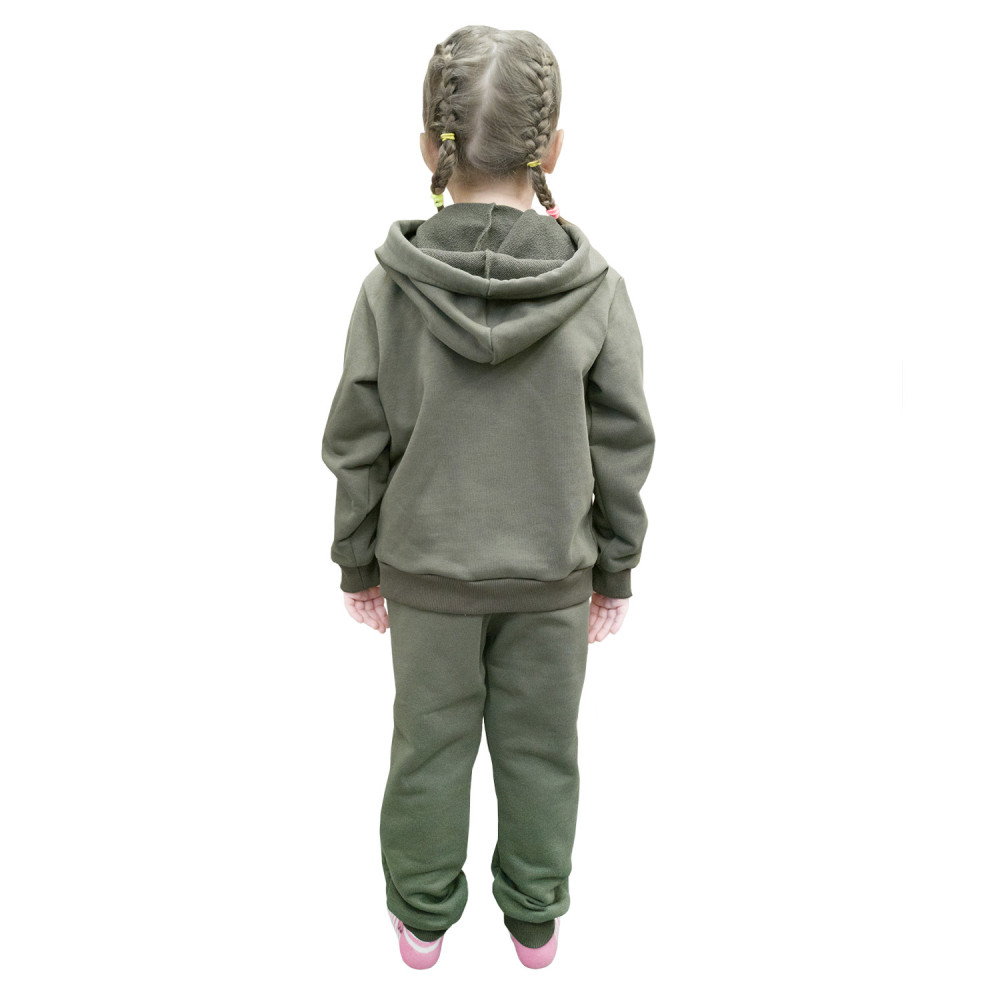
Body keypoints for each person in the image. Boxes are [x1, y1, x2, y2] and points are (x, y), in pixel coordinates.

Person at [321, 25, 655, 970]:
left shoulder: (389, 290)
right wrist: (615, 569)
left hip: (425, 573)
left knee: (427, 747)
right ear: (554, 149)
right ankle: (534, 923)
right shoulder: (596, 291)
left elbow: (355, 439)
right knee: (543, 751)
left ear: (429, 145)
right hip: (553, 577)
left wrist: (356, 561)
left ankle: (422, 923)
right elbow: (623, 443)